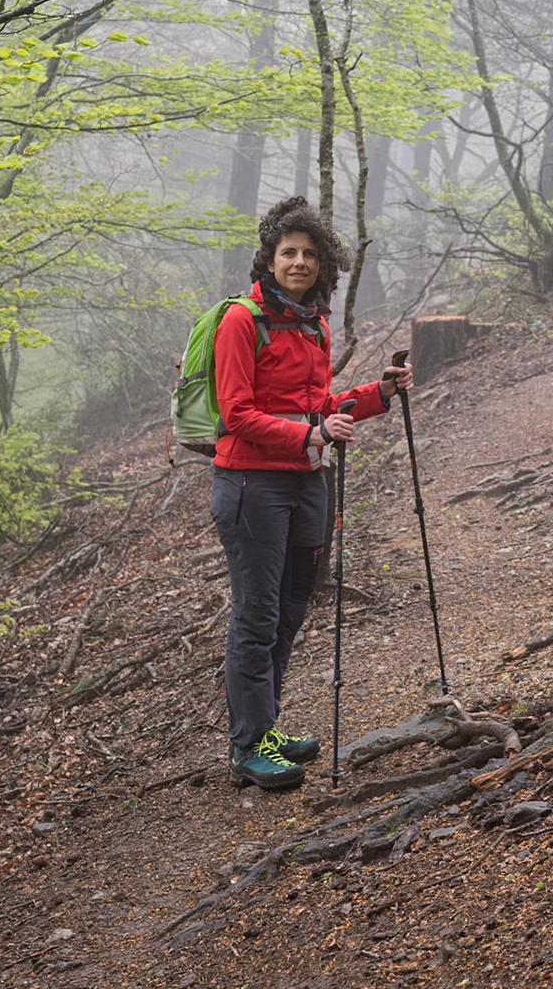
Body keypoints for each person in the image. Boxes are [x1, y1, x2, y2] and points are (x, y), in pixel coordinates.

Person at [210, 196, 413, 790]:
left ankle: (264, 726)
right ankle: (247, 748)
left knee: (292, 611)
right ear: (269, 260)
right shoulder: (242, 322)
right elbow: (237, 415)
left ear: (324, 263)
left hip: (305, 483)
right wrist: (312, 432)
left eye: (309, 254)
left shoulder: (314, 322)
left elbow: (318, 406)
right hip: (251, 484)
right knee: (257, 614)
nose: (298, 262)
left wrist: (378, 393)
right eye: (287, 253)